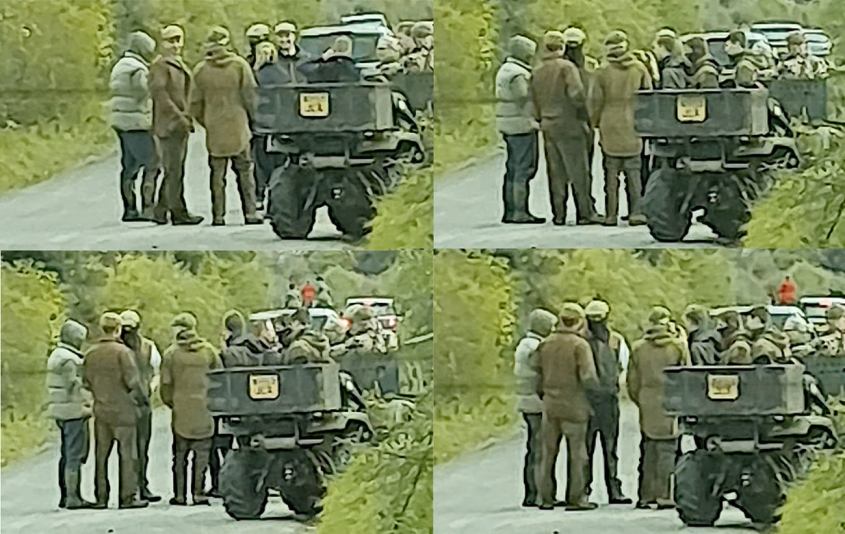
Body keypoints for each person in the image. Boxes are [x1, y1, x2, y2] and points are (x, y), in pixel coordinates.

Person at [191, 26, 262, 226]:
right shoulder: (240, 66)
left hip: (215, 128)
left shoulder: (200, 70)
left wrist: (206, 121)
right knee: (245, 172)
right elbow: (250, 96)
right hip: (238, 125)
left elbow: (194, 103)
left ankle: (219, 216)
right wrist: (253, 118)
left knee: (217, 175)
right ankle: (250, 213)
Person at [531, 31, 602, 226]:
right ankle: (585, 213)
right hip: (569, 122)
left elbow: (532, 99)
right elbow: (577, 94)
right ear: (561, 47)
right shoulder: (566, 67)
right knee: (578, 170)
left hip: (548, 124)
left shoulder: (537, 70)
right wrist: (584, 116)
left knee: (556, 171)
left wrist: (540, 117)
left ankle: (559, 214)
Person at [534, 303, 599, 511]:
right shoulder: (580, 345)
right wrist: (594, 396)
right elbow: (588, 377)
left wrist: (544, 393)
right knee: (577, 453)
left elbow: (536, 372)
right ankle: (576, 498)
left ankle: (545, 498)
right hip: (575, 405)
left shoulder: (545, 344)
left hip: (550, 404)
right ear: (579, 322)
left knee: (548, 453)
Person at [83, 312, 149, 509]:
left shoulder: (91, 354)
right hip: (124, 410)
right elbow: (132, 382)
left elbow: (86, 381)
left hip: (101, 409)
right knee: (127, 454)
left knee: (101, 455)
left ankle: (101, 496)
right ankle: (127, 496)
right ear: (118, 329)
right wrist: (142, 401)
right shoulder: (123, 353)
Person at [588, 30, 652, 227]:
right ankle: (636, 213)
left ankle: (611, 215)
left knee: (611, 173)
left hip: (610, 121)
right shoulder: (639, 68)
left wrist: (595, 122)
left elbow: (594, 101)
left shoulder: (602, 71)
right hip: (633, 121)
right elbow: (648, 95)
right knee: (634, 172)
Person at [627, 307, 688, 510]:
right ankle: (665, 495)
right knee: (668, 450)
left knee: (648, 449)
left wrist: (641, 399)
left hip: (647, 400)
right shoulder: (678, 347)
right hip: (671, 401)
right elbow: (686, 377)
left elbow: (632, 382)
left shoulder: (638, 348)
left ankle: (646, 496)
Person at [160, 312, 222, 506]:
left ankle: (179, 494)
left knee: (180, 455)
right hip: (205, 409)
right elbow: (220, 379)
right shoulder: (209, 352)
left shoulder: (171, 355)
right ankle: (198, 493)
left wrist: (172, 403)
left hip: (181, 410)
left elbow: (165, 385)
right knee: (202, 454)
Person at [150, 25, 203, 226]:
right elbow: (160, 94)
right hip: (169, 124)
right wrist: (179, 116)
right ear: (162, 43)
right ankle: (178, 212)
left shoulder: (177, 63)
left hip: (179, 123)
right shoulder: (160, 66)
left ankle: (161, 210)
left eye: (178, 40)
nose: (175, 45)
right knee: (174, 170)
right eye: (170, 41)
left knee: (174, 168)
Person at [582, 300, 631, 505]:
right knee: (610, 448)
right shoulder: (616, 340)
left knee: (586, 448)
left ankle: (583, 490)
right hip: (608, 399)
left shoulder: (580, 340)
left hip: (586, 400)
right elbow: (624, 366)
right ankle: (614, 490)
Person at [108, 30, 159, 222]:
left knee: (129, 166)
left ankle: (129, 209)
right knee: (152, 163)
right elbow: (142, 91)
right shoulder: (138, 69)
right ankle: (148, 208)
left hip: (120, 120)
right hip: (137, 122)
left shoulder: (120, 65)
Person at [496, 35, 544, 224]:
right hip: (521, 125)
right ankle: (520, 211)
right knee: (523, 168)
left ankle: (510, 211)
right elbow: (523, 98)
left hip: (508, 124)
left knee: (512, 167)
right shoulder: (518, 74)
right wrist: (534, 118)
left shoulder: (505, 69)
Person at [47, 319, 94, 509]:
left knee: (66, 453)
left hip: (61, 409)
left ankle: (65, 495)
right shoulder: (69, 360)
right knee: (75, 453)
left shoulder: (57, 355)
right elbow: (74, 385)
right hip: (73, 410)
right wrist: (89, 402)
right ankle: (73, 496)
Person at [513, 308, 557, 507]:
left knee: (534, 446)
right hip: (535, 402)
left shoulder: (525, 344)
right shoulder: (534, 347)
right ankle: (537, 492)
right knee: (539, 448)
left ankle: (534, 492)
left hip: (527, 400)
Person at [118, 310, 162, 502]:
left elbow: (157, 371)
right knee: (130, 448)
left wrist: (151, 388)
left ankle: (141, 486)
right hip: (126, 403)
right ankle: (133, 489)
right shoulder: (118, 349)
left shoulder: (148, 347)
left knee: (141, 447)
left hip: (141, 402)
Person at [562, 26, 600, 213]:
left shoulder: (554, 66)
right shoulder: (591, 66)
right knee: (583, 169)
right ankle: (585, 208)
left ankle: (559, 212)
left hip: (561, 120)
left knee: (559, 171)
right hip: (583, 120)